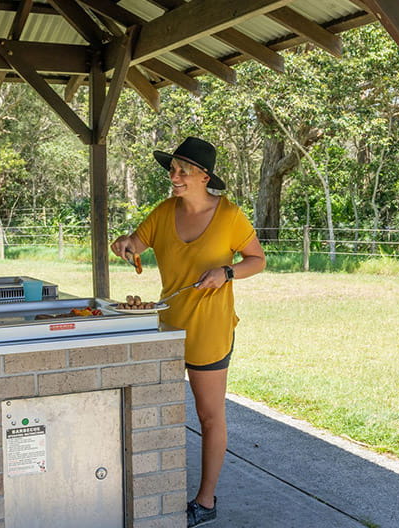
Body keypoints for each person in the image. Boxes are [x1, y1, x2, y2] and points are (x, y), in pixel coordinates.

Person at [110, 137, 266, 527]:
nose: (174, 176)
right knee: (153, 409)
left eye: (182, 170)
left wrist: (226, 272)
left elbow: (257, 260)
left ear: (204, 176)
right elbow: (135, 243)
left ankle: (206, 500)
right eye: (172, 169)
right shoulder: (163, 212)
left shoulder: (230, 216)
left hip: (210, 330)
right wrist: (125, 246)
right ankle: (150, 485)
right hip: (165, 327)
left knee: (209, 416)